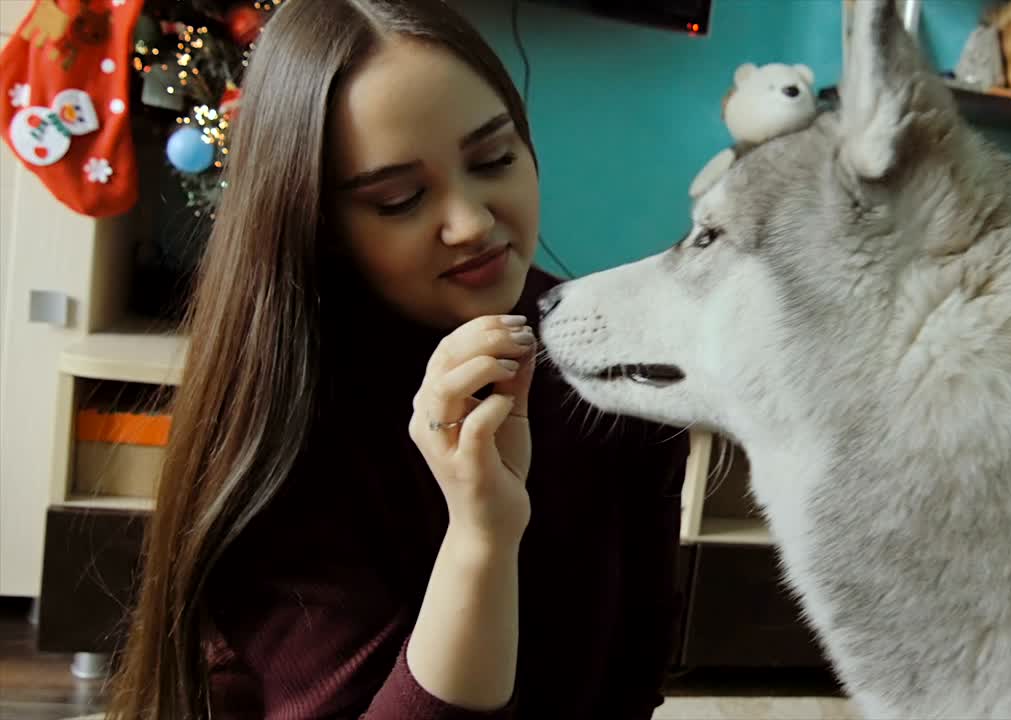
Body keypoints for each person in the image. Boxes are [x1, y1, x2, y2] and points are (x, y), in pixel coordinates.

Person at [106, 1, 689, 718]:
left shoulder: (609, 374)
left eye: (495, 159)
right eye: (401, 199)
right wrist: (481, 538)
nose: (473, 223)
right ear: (319, 222)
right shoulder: (284, 425)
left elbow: (629, 687)